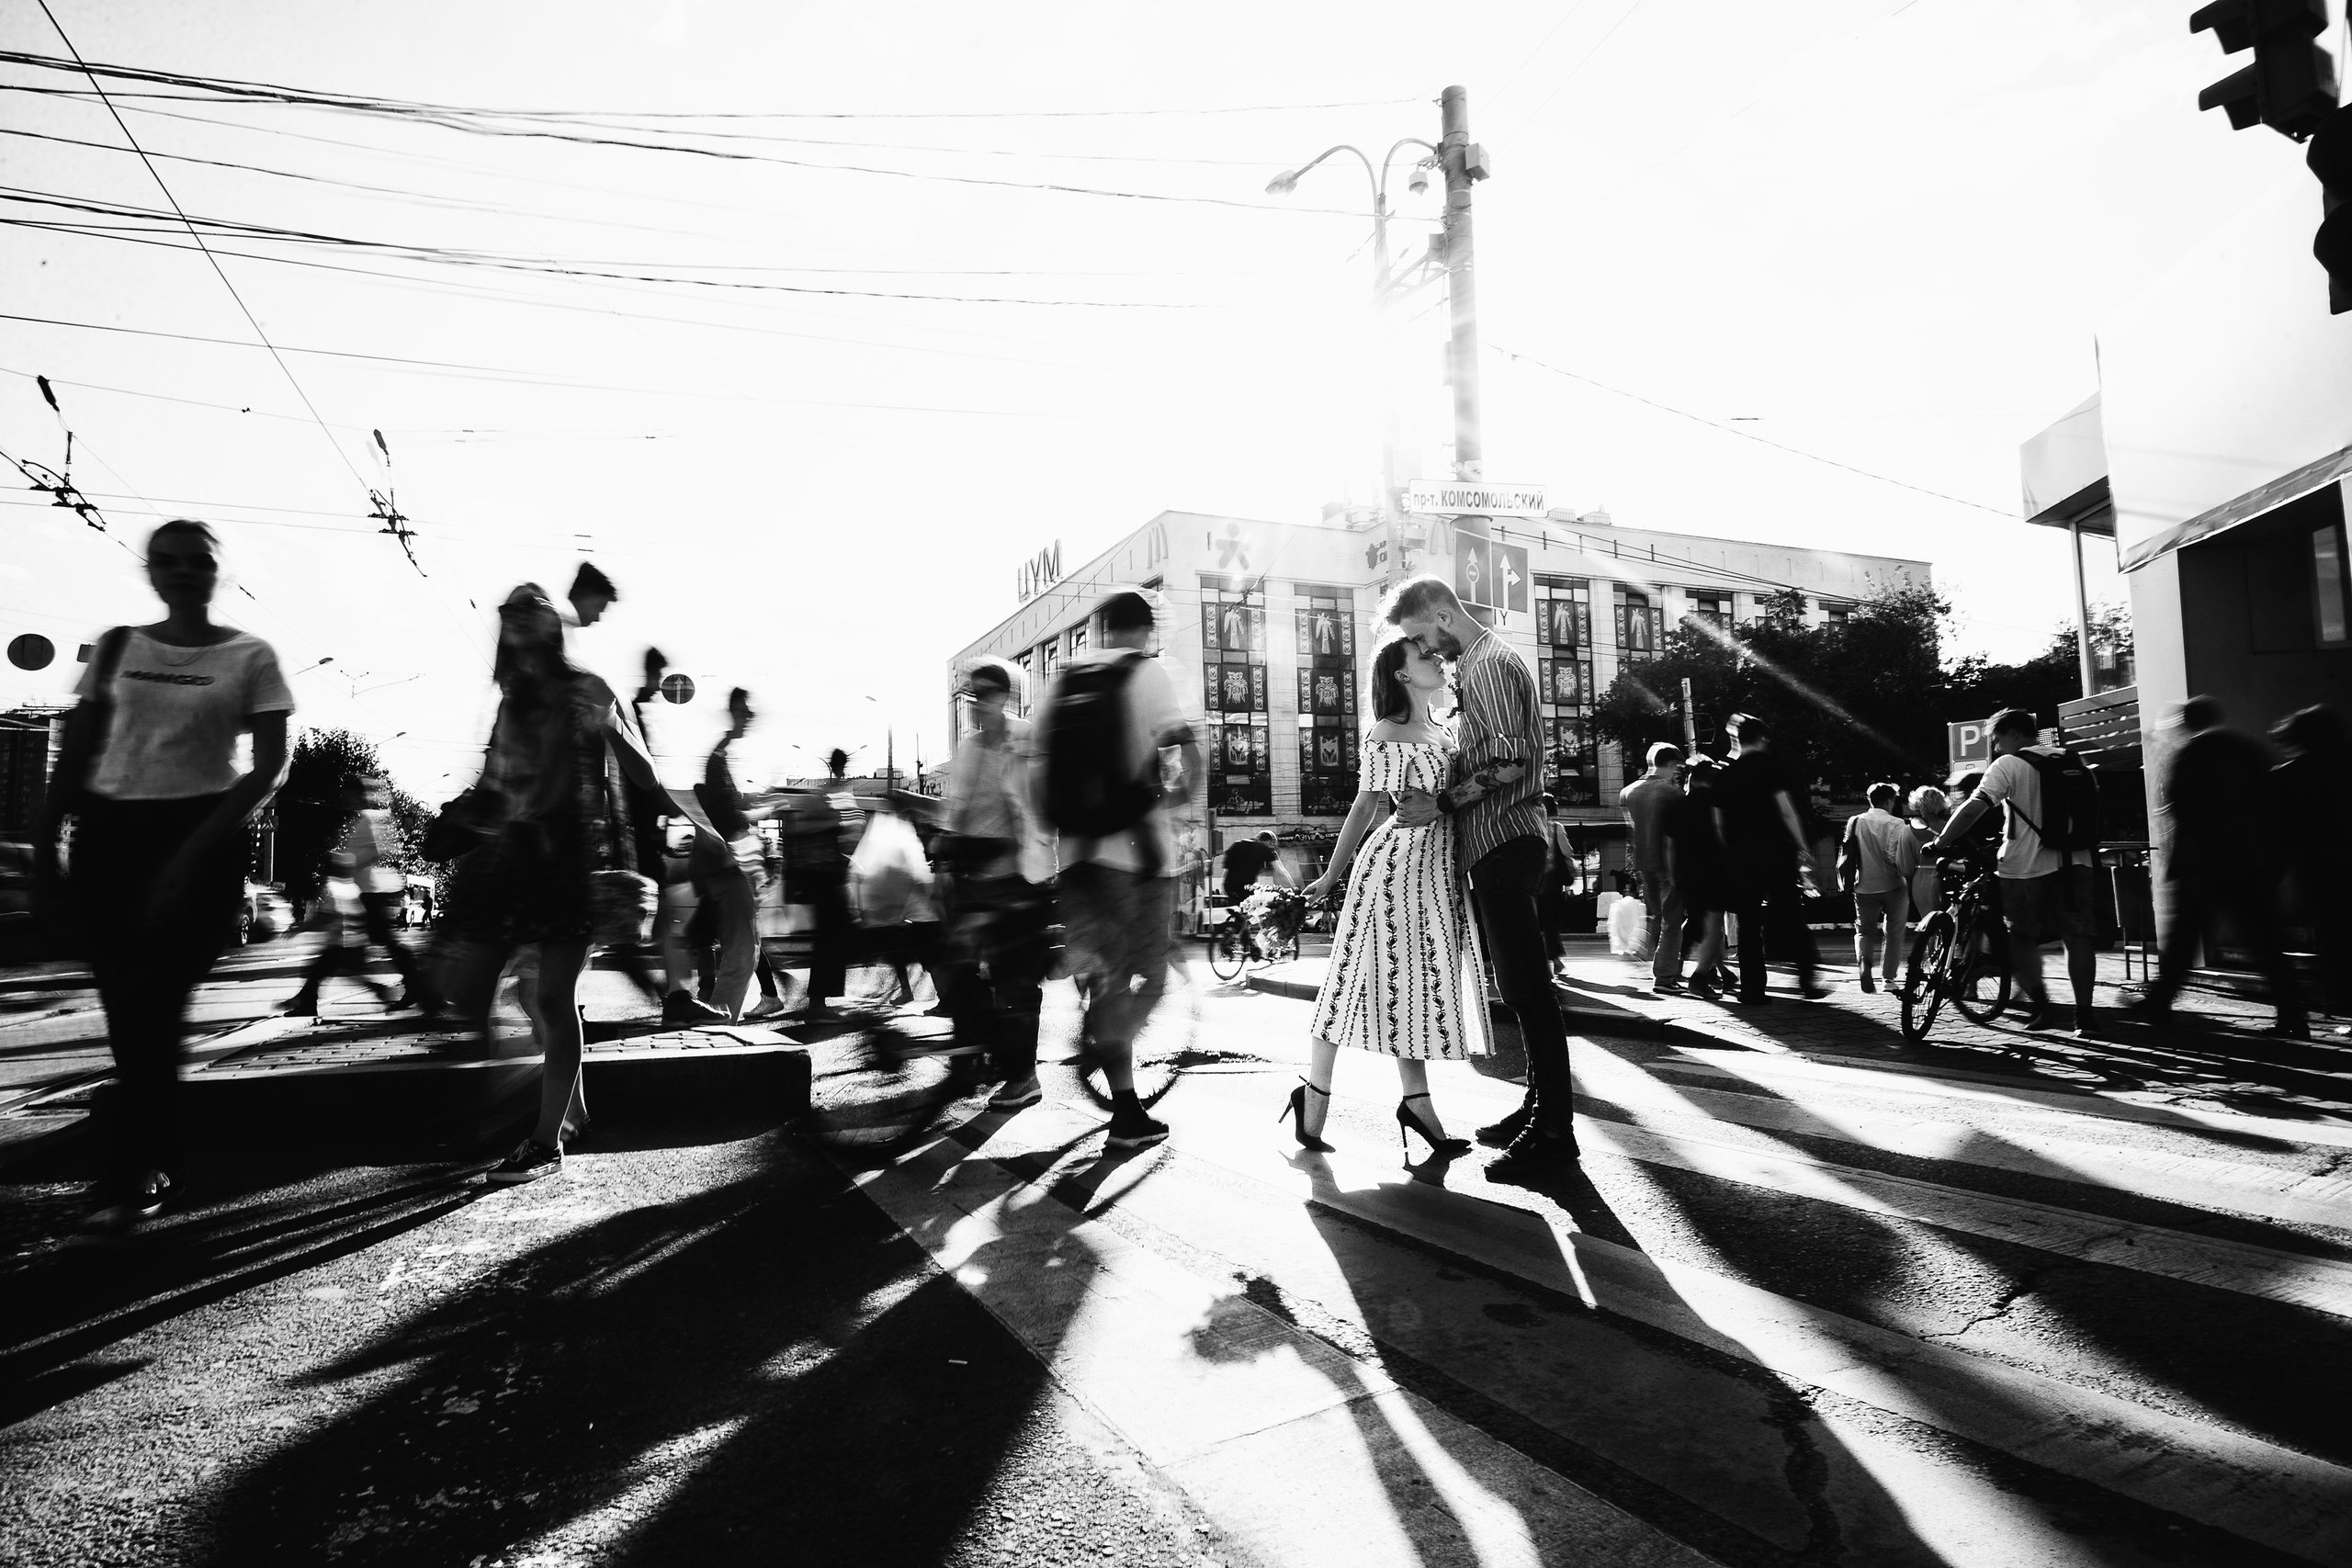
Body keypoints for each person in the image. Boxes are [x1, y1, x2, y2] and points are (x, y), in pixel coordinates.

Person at [33, 519, 294, 1238]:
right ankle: (151, 1164)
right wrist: (46, 841)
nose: (182, 571)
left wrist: (190, 855)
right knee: (127, 1010)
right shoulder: (120, 646)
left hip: (202, 839)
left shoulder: (251, 656)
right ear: (150, 570)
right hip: (111, 840)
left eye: (197, 561)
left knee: (158, 1003)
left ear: (219, 572)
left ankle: (135, 1170)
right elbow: (80, 749)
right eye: (167, 561)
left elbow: (270, 765)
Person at [439, 585, 716, 1185]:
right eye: (509, 620)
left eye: (525, 619)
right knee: (530, 994)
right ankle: (575, 1112)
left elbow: (641, 771)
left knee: (552, 999)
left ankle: (544, 1143)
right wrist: (461, 818)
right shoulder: (513, 700)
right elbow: (497, 786)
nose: (515, 631)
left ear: (546, 629)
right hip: (520, 866)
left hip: (572, 865)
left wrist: (694, 822)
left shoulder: (586, 690)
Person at [1386, 577, 1573, 1184]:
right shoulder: (1480, 662)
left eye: (1419, 635)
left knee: (1528, 989)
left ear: (1443, 614)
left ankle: (1554, 1132)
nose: (1421, 647)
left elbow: (1511, 761)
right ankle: (1537, 1108)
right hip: (1500, 840)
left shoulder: (1487, 664)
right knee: (1521, 987)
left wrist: (1441, 802)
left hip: (1505, 838)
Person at [1292, 637, 1494, 1156]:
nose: (1437, 660)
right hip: (1391, 872)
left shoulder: (1445, 731)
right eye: (1424, 657)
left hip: (1435, 874)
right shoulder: (1388, 731)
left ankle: (1417, 1102)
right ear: (1402, 676)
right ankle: (1314, 1095)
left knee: (1417, 989)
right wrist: (1332, 876)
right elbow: (1365, 807)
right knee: (1350, 983)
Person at [1035, 588, 1201, 1149]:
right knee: (1149, 979)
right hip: (1138, 858)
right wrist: (1178, 802)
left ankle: (1125, 1110)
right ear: (1146, 628)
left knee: (1104, 984)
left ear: (1101, 628)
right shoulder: (1149, 674)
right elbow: (1187, 757)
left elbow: (1038, 777)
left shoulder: (1063, 680)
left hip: (1077, 859)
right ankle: (1105, 1044)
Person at [2128, 696, 2305, 1037]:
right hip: (2250, 861)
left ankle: (2160, 1002)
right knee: (2266, 940)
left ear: (2187, 722)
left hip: (2204, 862)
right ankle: (2292, 1014)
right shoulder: (2250, 749)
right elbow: (2274, 803)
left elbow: (2184, 809)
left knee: (2183, 938)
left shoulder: (2192, 753)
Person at [1931, 708, 2101, 1037]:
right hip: (2076, 861)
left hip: (2024, 867)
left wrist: (1941, 842)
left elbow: (1973, 809)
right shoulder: (2071, 758)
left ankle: (2042, 1006)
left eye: (1996, 739)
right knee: (2077, 938)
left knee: (2020, 938)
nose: (1995, 748)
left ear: (2011, 733)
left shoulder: (2008, 765)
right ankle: (2085, 1017)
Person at [942, 658, 1057, 1109]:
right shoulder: (969, 748)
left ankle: (1022, 1075)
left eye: (985, 698)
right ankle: (975, 1057)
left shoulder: (1025, 740)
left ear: (1003, 699)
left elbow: (1036, 813)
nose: (976, 707)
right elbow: (958, 808)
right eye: (971, 699)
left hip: (1021, 879)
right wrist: (949, 862)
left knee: (1015, 981)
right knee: (958, 972)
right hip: (975, 880)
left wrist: (1005, 855)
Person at [283, 776, 440, 1017]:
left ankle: (420, 988)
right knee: (345, 949)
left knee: (347, 949)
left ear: (359, 794)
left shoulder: (368, 818)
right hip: (364, 893)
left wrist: (346, 863)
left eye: (349, 793)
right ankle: (308, 998)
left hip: (368, 894)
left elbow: (377, 851)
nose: (345, 798)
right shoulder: (365, 819)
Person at [1716, 714, 1823, 1004]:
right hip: (1776, 853)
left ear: (1738, 739)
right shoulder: (1771, 767)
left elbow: (1718, 822)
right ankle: (1807, 980)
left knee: (1748, 923)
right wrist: (1804, 848)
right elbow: (1787, 811)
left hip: (1741, 857)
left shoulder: (1725, 773)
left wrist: (1729, 852)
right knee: (1789, 915)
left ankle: (1753, 990)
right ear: (1762, 739)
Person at [2272, 705, 2349, 1024]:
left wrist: (2272, 876)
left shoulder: (2287, 776)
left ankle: (2343, 1004)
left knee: (2335, 941)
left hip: (2320, 870)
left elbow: (2283, 834)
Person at [688, 687, 762, 1020]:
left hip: (727, 869)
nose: (749, 718)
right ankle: (718, 1021)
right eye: (745, 711)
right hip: (728, 870)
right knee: (742, 954)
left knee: (745, 953)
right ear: (734, 711)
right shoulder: (717, 760)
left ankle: (719, 1017)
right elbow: (726, 813)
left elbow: (726, 807)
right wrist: (755, 813)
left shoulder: (721, 757)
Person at [1838, 783, 1919, 993]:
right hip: (1895, 886)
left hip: (1864, 886)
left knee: (1864, 932)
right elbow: (1898, 856)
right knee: (1894, 932)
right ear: (1890, 800)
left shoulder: (1855, 822)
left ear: (1870, 800)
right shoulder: (1898, 824)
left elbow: (1848, 852)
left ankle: (1864, 965)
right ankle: (1888, 979)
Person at [1620, 742, 1686, 992]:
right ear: (1671, 765)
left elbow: (1632, 834)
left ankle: (1646, 958)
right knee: (1672, 923)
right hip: (1669, 864)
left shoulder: (1628, 792)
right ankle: (1665, 977)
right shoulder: (1672, 793)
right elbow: (1678, 835)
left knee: (1655, 916)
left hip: (1642, 865)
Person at [1668, 754, 1735, 999]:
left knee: (1702, 924)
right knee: (1713, 927)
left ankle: (1721, 972)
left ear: (1691, 779)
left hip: (1687, 875)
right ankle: (1699, 977)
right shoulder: (1718, 803)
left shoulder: (1678, 805)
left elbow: (1670, 845)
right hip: (1715, 871)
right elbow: (1722, 835)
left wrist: (1674, 875)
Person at [1905, 785, 1951, 920]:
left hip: (1922, 877)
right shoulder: (1951, 827)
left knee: (1928, 922)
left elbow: (1905, 866)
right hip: (1947, 874)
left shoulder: (1908, 830)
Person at [1220, 829, 1293, 906]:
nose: (1272, 846)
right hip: (1246, 887)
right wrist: (1294, 888)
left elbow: (1227, 869)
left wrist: (1223, 886)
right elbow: (1281, 871)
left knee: (1242, 909)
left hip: (1229, 887)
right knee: (1260, 908)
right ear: (1270, 842)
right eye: (1272, 844)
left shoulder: (1237, 845)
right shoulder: (1264, 849)